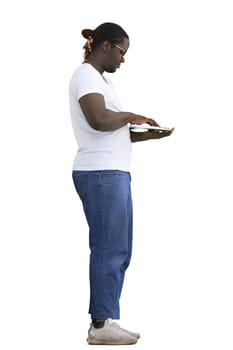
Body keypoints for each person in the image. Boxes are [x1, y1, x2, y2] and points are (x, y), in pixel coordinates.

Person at [69, 22, 173, 345]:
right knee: (108, 248)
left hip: (112, 172)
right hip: (101, 174)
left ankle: (105, 318)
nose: (122, 60)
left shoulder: (100, 81)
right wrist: (131, 115)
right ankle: (101, 325)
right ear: (105, 46)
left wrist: (146, 135)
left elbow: (112, 129)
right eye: (121, 52)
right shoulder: (85, 75)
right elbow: (99, 120)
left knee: (118, 248)